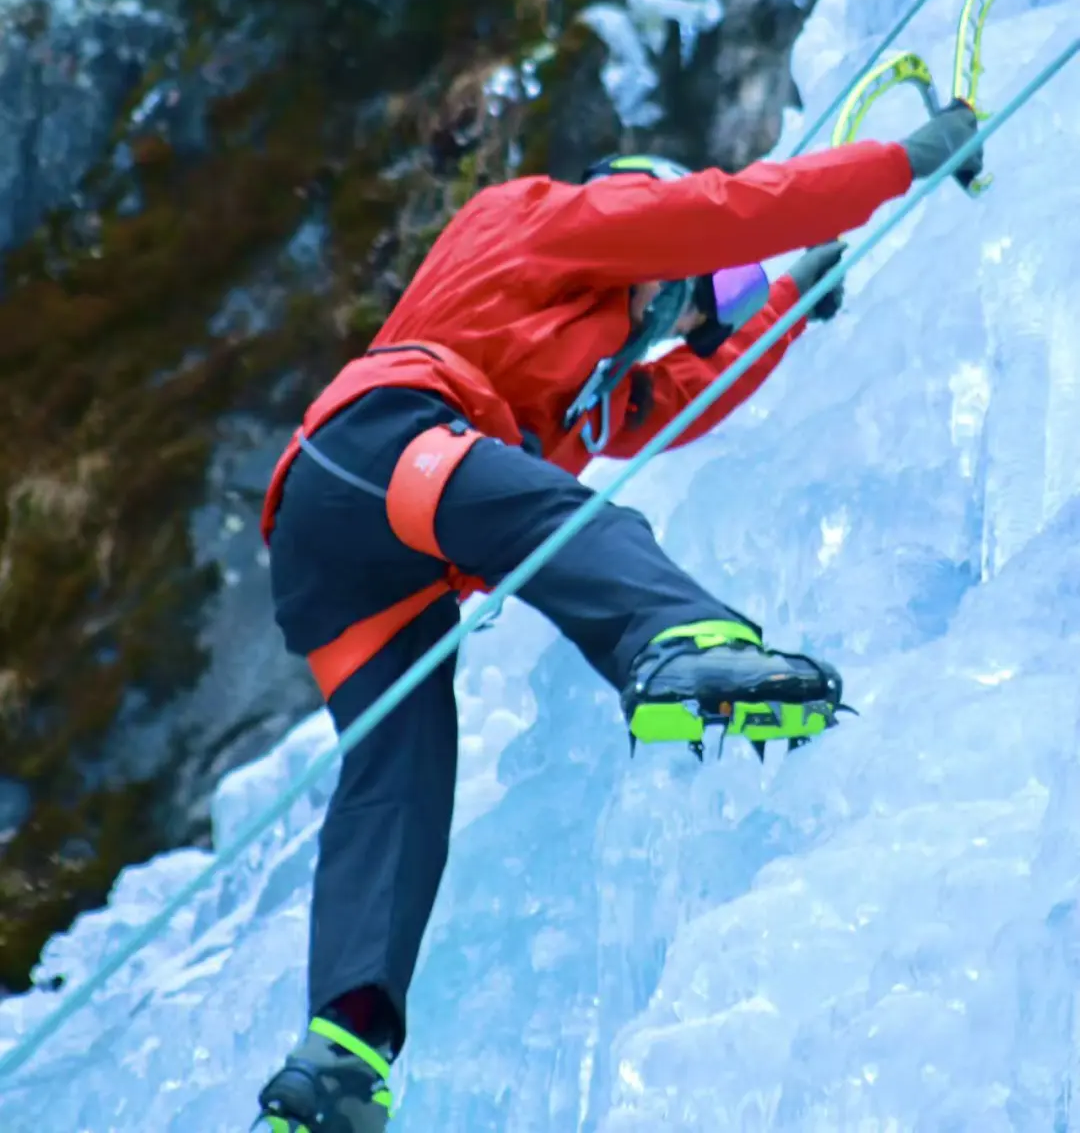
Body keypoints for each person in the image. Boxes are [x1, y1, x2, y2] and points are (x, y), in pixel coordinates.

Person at [251, 104, 982, 1132]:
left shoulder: (588, 391)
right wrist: (901, 163)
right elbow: (731, 209)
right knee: (577, 522)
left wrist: (783, 302)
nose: (692, 320)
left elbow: (691, 392)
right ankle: (678, 649)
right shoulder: (546, 221)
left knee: (399, 785)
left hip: (351, 565)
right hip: (377, 445)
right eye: (698, 295)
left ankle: (340, 1056)